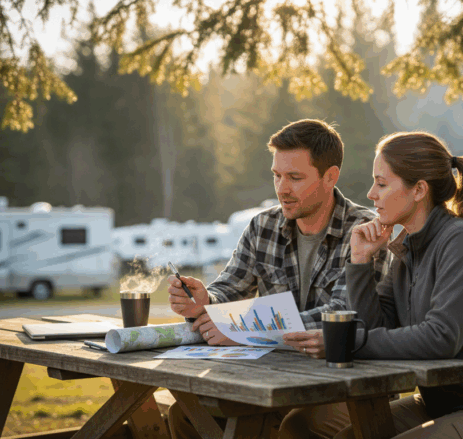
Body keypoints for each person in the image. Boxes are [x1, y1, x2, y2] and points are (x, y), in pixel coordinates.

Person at [279, 131, 463, 439]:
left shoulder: (462, 242)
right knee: (309, 428)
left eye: (381, 183)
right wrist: (361, 262)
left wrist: (349, 342)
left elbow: (441, 338)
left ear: (418, 190)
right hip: (440, 406)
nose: (371, 194)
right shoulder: (407, 249)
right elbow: (377, 324)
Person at [166, 119, 388, 439]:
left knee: (300, 427)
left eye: (295, 177)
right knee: (187, 413)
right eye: (277, 175)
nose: (282, 189)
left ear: (331, 177)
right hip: (273, 376)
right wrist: (205, 299)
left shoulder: (365, 232)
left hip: (345, 381)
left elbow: (344, 315)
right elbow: (231, 284)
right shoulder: (263, 226)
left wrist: (247, 329)